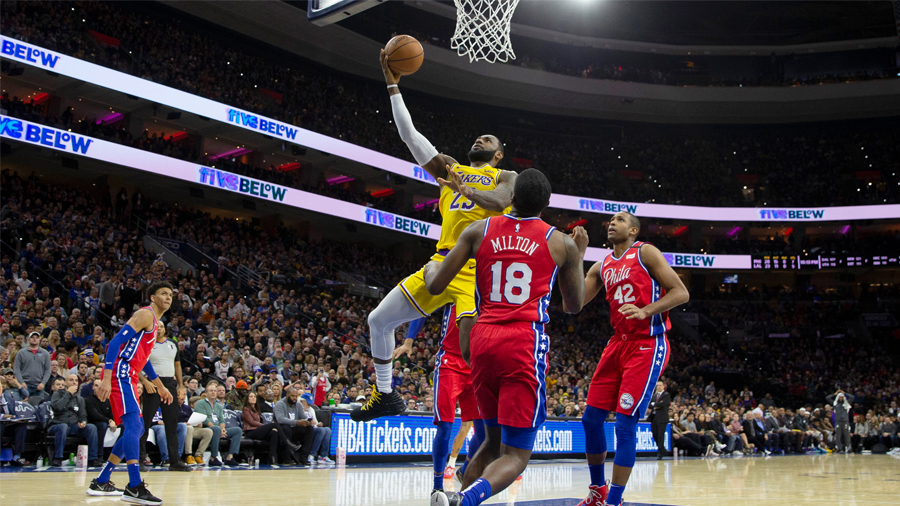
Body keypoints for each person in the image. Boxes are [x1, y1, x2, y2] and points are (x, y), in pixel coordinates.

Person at [349, 48, 518, 423]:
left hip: (477, 271)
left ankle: (502, 415)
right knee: (378, 320)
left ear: (499, 154)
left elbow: (503, 201)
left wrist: (468, 192)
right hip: (442, 261)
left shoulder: (505, 177)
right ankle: (386, 394)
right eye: (478, 137)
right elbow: (409, 135)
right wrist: (392, 83)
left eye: (487, 139)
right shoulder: (449, 169)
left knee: (474, 354)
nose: (480, 139)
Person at [424, 168, 588, 506]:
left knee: (490, 440)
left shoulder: (478, 229)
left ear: (510, 198)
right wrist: (579, 254)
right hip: (522, 342)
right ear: (545, 205)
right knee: (516, 455)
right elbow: (574, 305)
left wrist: (428, 270)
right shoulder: (561, 242)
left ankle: (458, 496)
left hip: (483, 342)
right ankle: (464, 500)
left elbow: (436, 285)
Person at [575, 211, 689, 506]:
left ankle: (614, 500)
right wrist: (578, 255)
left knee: (625, 425)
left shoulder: (646, 252)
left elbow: (681, 292)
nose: (612, 223)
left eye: (620, 220)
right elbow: (573, 303)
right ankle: (597, 490)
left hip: (647, 345)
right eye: (611, 220)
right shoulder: (601, 266)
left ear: (634, 230)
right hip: (617, 344)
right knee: (590, 419)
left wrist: (646, 310)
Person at [89, 282, 175, 504]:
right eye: (163, 293)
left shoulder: (155, 324)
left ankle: (102, 480)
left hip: (130, 374)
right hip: (120, 372)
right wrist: (106, 378)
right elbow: (115, 342)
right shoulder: (145, 315)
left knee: (133, 430)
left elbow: (144, 361)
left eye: (171, 295)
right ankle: (134, 486)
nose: (168, 297)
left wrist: (161, 385)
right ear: (152, 298)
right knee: (136, 428)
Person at [139, 324, 191, 471]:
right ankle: (140, 459)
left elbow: (178, 366)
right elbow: (137, 364)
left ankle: (175, 461)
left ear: (165, 329)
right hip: (154, 384)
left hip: (170, 383)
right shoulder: (146, 343)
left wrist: (180, 385)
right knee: (146, 423)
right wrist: (145, 382)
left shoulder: (172, 344)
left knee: (172, 424)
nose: (159, 328)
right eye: (156, 326)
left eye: (161, 326)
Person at [49, 374, 103, 467]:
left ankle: (93, 458)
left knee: (91, 427)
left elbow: (83, 415)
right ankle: (58, 458)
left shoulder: (80, 399)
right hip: (57, 424)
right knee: (63, 427)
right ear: (65, 383)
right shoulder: (57, 394)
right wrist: (68, 394)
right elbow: (57, 407)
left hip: (74, 426)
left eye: (76, 381)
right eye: (71, 380)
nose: (74, 382)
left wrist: (83, 422)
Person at [242, 390, 300, 465]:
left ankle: (272, 458)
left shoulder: (257, 410)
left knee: (274, 432)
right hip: (250, 432)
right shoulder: (245, 409)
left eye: (254, 396)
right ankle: (288, 443)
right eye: (251, 397)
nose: (253, 398)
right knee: (275, 424)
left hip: (257, 430)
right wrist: (265, 426)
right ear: (247, 399)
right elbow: (251, 422)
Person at [193, 380, 242, 466]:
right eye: (211, 391)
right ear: (206, 393)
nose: (213, 392)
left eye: (215, 391)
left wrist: (223, 429)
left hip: (218, 429)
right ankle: (213, 457)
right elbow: (204, 419)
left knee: (237, 430)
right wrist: (219, 429)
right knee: (216, 429)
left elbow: (222, 420)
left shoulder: (218, 405)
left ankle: (230, 457)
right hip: (205, 429)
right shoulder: (200, 403)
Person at [274, 386, 315, 466]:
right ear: (287, 395)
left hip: (294, 429)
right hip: (281, 430)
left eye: (296, 396)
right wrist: (296, 422)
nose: (294, 398)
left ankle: (304, 457)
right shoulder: (280, 404)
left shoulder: (298, 405)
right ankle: (286, 458)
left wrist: (307, 421)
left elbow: (302, 416)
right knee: (286, 428)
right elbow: (280, 419)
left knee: (309, 429)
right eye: (292, 396)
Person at [13, 331, 51, 399]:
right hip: (25, 384)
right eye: (32, 337)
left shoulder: (45, 353)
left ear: (39, 340)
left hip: (39, 385)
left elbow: (48, 369)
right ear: (28, 339)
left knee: (39, 407)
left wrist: (43, 383)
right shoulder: (21, 353)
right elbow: (16, 368)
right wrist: (21, 382)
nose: (34, 339)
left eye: (36, 337)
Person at [0, 379, 29, 466]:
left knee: (21, 425)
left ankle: (16, 456)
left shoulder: (8, 396)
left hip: (7, 425)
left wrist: (16, 418)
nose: (3, 386)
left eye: (4, 383)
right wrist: (2, 416)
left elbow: (13, 413)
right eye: (1, 384)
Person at [299, 392, 334, 464]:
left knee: (327, 429)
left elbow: (316, 422)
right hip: (304, 429)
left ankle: (323, 456)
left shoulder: (311, 409)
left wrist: (318, 424)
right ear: (302, 401)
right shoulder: (299, 408)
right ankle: (312, 455)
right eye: (307, 402)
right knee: (321, 431)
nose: (309, 404)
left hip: (313, 429)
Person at [647, 381, 671, 460]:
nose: (658, 387)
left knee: (661, 435)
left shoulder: (666, 395)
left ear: (664, 386)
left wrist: (655, 404)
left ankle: (660, 452)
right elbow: (650, 405)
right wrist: (655, 405)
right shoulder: (654, 395)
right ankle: (662, 448)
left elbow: (662, 404)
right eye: (657, 385)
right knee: (654, 434)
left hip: (662, 418)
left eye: (660, 385)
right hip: (654, 417)